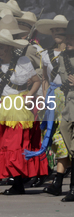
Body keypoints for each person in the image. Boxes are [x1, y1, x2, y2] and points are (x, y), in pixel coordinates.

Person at [0, 29, 46, 195]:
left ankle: (19, 182)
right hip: (4, 108)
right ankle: (17, 181)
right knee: (8, 145)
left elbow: (37, 81)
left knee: (17, 145)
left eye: (2, 48)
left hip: (21, 106)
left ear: (9, 47)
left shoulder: (22, 61)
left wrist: (29, 96)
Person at [36, 15, 71, 196]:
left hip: (69, 98)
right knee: (57, 137)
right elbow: (45, 79)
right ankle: (58, 181)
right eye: (54, 30)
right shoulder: (45, 54)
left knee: (68, 137)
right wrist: (44, 99)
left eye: (61, 30)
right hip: (53, 100)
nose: (57, 33)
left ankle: (59, 181)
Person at [55, 20, 74, 202]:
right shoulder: (62, 57)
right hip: (67, 109)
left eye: (71, 38)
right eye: (66, 37)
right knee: (70, 149)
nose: (67, 41)